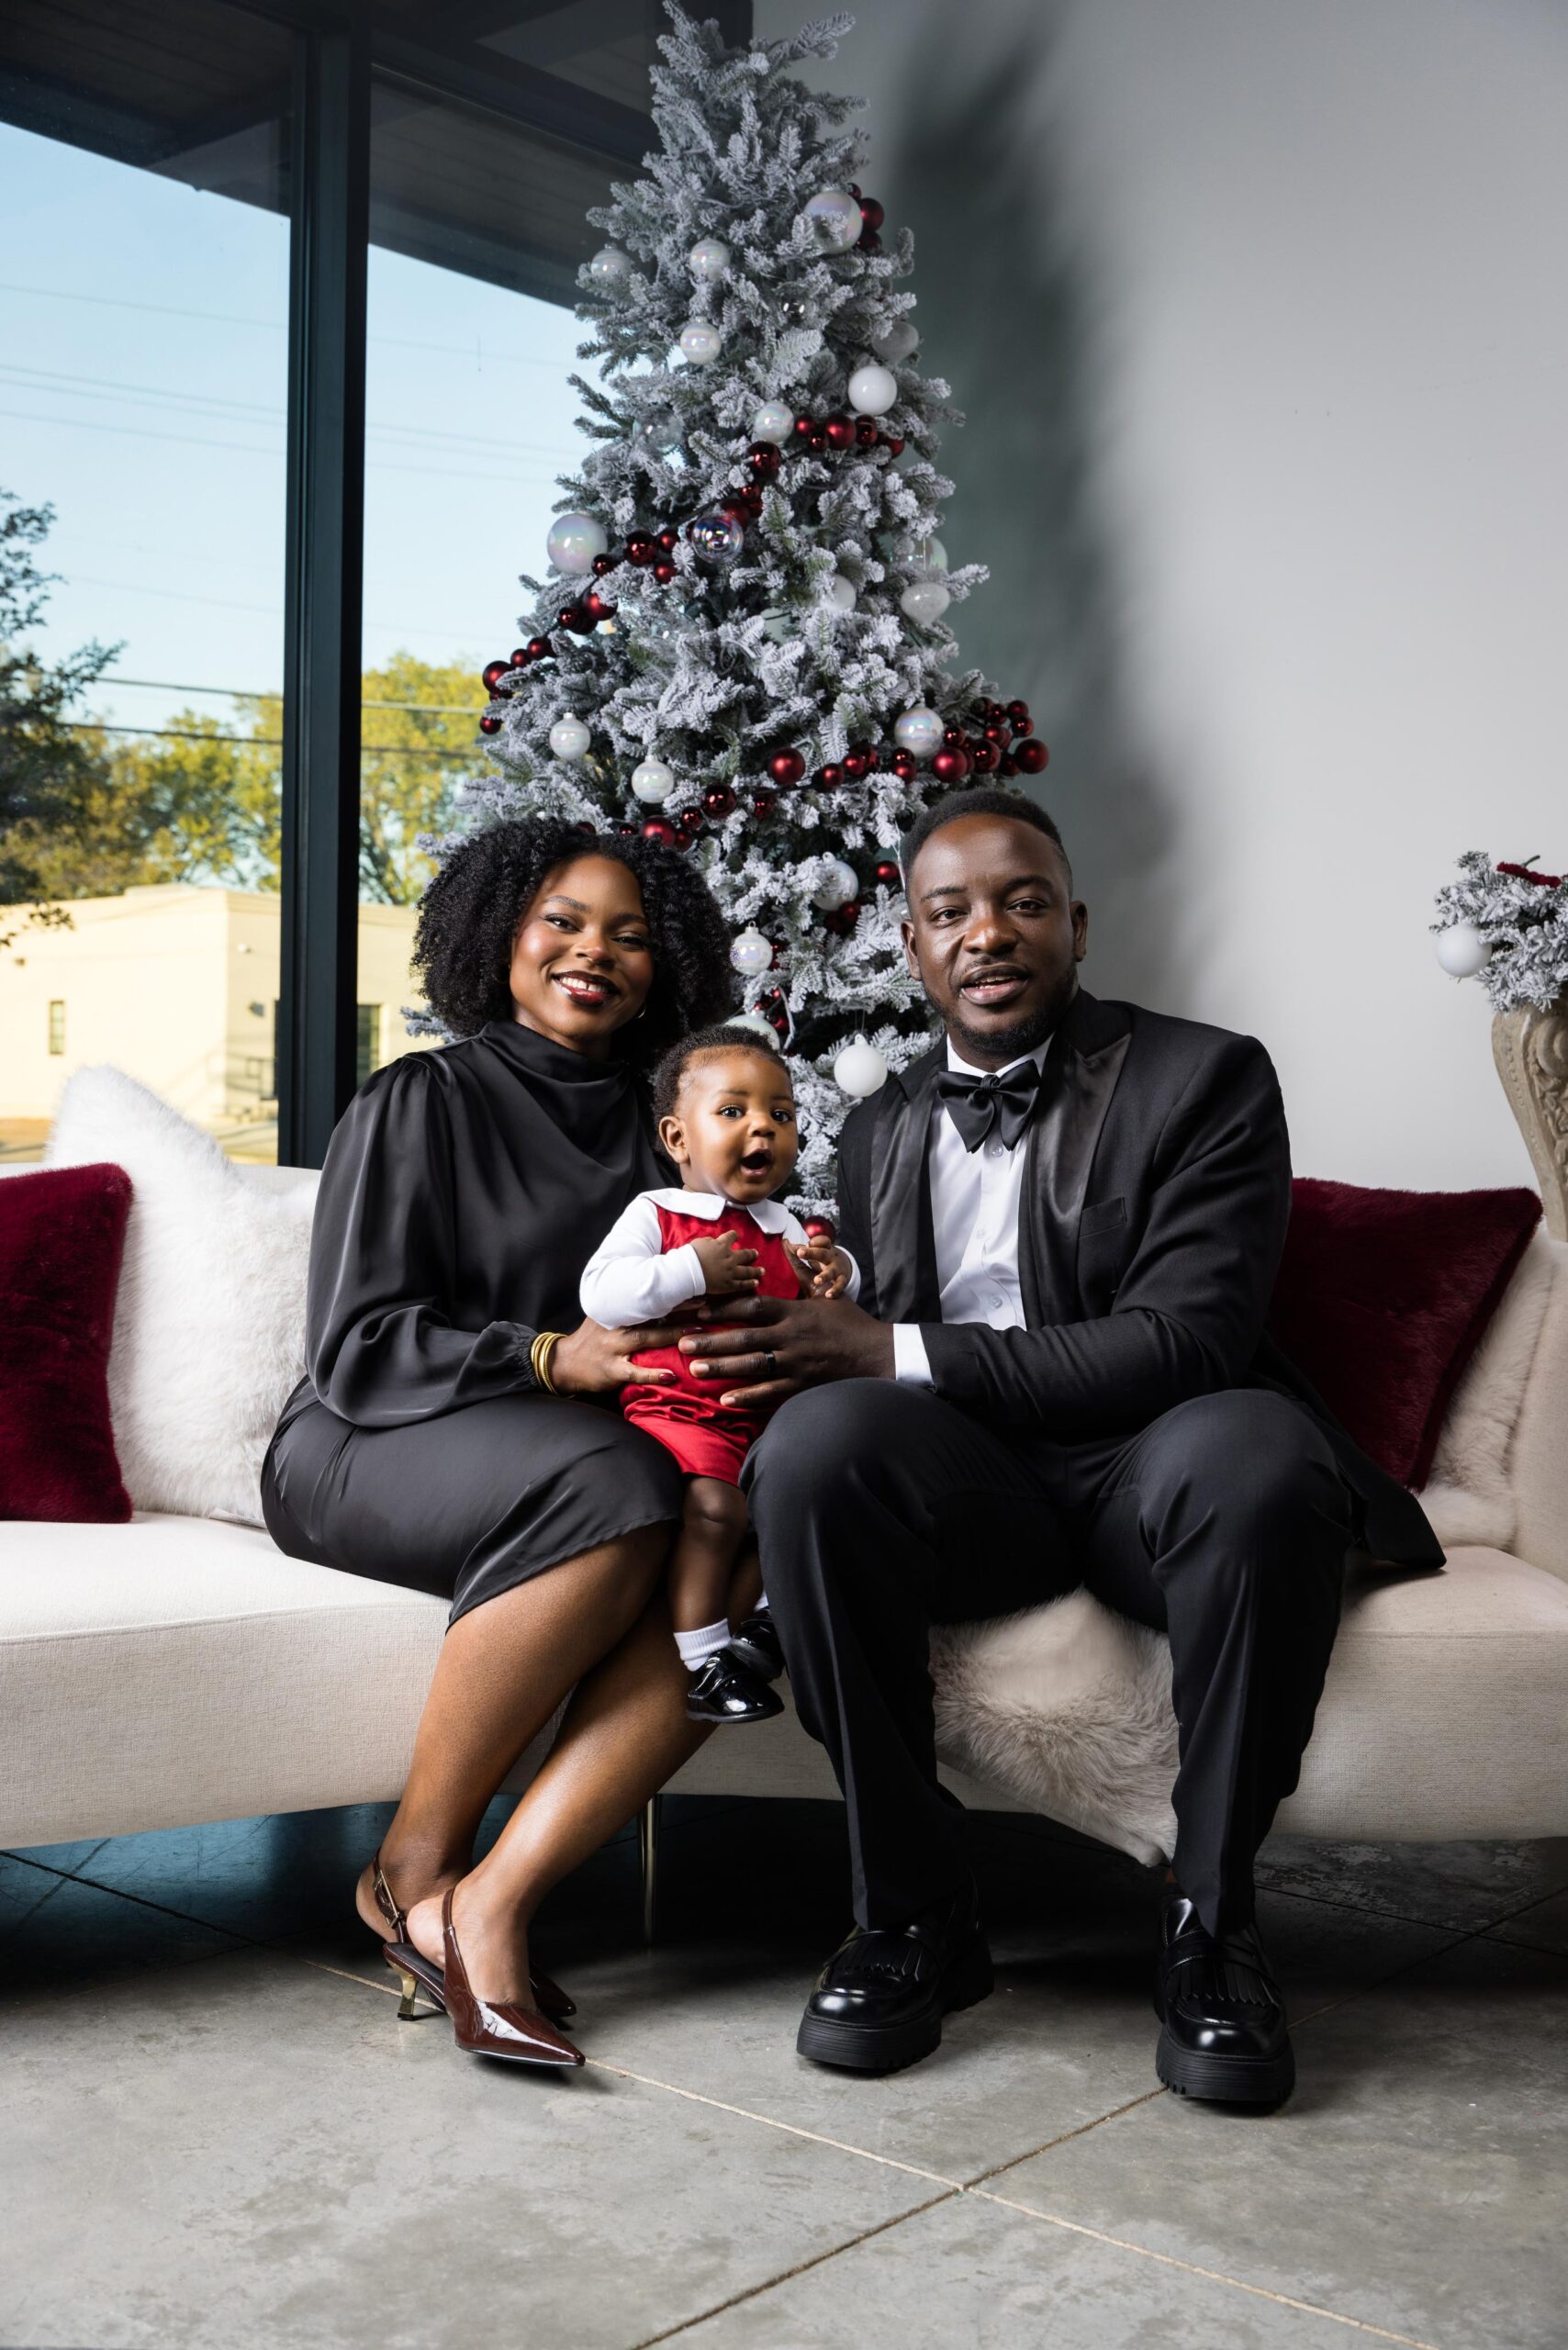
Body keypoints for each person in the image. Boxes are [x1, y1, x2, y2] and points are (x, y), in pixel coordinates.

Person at [681, 787, 1442, 2105]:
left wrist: (892, 1347)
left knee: (1257, 1450)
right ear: (913, 947)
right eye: (950, 912)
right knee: (812, 1447)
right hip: (982, 1497)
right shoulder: (879, 1125)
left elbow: (1191, 1339)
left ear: (1076, 928)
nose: (987, 932)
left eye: (1022, 902)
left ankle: (1212, 1926)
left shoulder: (1204, 1077)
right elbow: (874, 1369)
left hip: (1158, 1470)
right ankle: (914, 1912)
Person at [261, 817, 736, 2069]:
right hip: (368, 1439)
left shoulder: (664, 1131)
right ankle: (408, 1868)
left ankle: (494, 1898)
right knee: (619, 1480)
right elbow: (358, 1345)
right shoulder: (421, 1098)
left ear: (666, 965)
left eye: (630, 935)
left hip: (572, 1461)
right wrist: (547, 1357)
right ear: (500, 937)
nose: (595, 952)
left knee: (745, 1530)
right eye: (562, 922)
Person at [579, 1024, 857, 1726]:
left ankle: (768, 1625)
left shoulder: (784, 1224)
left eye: (781, 1114)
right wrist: (689, 1269)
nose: (762, 1127)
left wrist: (839, 1273)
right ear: (677, 1138)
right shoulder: (658, 1214)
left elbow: (830, 1307)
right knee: (717, 1511)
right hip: (682, 1411)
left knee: (798, 1507)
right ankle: (705, 1662)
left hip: (767, 1418)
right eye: (733, 1111)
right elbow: (601, 1293)